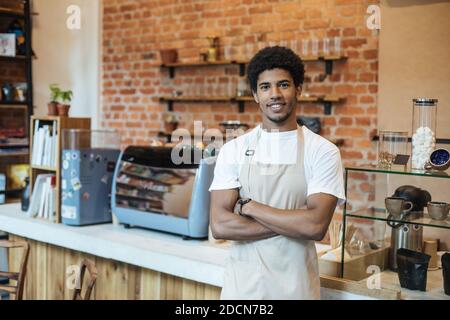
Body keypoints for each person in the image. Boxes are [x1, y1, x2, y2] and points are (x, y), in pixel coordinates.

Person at [209, 46, 346, 300]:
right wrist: (296, 222)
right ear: (255, 95)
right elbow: (219, 225)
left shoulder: (323, 152)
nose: (275, 94)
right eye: (265, 87)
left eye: (283, 84)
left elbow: (315, 226)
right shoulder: (234, 149)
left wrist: (248, 206)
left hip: (296, 290)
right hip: (242, 291)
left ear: (298, 90)